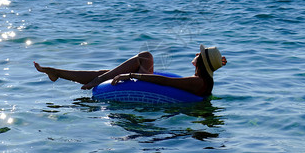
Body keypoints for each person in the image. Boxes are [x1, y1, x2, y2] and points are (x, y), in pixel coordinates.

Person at [34, 44, 227, 97]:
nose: (196, 53)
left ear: (201, 62)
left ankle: (58, 73)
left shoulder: (197, 82)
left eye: (199, 54)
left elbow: (164, 81)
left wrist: (131, 75)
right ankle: (56, 72)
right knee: (112, 72)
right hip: (165, 89)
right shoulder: (203, 80)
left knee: (145, 57)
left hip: (157, 91)